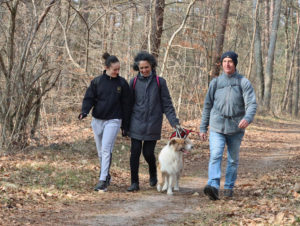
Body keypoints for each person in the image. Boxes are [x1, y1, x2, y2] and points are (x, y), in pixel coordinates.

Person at [200, 51, 257, 200]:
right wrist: (203, 127)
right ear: (221, 63)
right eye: (224, 61)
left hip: (236, 128)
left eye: (230, 61)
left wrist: (247, 118)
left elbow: (251, 103)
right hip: (217, 126)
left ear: (235, 63)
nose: (227, 64)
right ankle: (213, 186)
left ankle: (229, 187)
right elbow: (207, 105)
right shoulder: (216, 82)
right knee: (216, 155)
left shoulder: (243, 82)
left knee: (232, 160)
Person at [127, 51, 181, 192]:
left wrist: (174, 122)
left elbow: (167, 104)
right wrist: (124, 125)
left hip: (153, 123)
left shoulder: (160, 82)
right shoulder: (133, 82)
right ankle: (134, 183)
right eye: (141, 68)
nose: (144, 70)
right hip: (136, 122)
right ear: (138, 69)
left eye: (146, 67)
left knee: (148, 153)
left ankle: (152, 172)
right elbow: (128, 104)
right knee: (135, 152)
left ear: (152, 66)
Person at [78, 53, 131, 192]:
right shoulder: (97, 82)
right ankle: (106, 175)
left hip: (113, 120)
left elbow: (126, 105)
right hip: (97, 120)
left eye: (119, 69)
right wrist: (84, 111)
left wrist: (125, 126)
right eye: (115, 69)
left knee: (106, 149)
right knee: (100, 152)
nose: (117, 72)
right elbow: (89, 98)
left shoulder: (122, 83)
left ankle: (102, 181)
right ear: (106, 67)